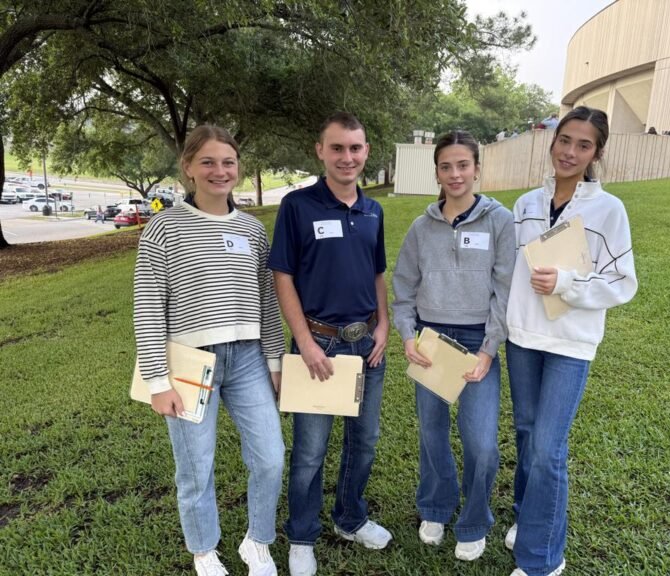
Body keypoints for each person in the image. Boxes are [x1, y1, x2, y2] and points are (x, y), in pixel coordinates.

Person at [133, 125, 285, 576]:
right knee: (196, 468)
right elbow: (147, 307)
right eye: (208, 162)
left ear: (239, 169)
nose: (220, 171)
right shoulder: (163, 228)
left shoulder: (254, 231)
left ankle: (257, 542)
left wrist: (275, 362)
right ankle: (204, 550)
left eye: (228, 162)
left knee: (271, 457)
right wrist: (158, 383)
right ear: (188, 168)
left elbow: (268, 300)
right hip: (189, 364)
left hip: (249, 361)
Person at [503, 106, 638, 576]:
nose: (570, 152)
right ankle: (528, 518)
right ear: (552, 140)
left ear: (596, 152)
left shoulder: (608, 209)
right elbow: (511, 275)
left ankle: (543, 560)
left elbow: (623, 283)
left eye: (584, 145)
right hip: (522, 338)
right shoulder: (524, 205)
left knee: (548, 448)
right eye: (565, 140)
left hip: (570, 345)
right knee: (525, 435)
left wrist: (566, 282)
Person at [268, 111, 391, 576]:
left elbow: (377, 273)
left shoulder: (373, 210)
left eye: (355, 148)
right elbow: (283, 276)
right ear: (320, 151)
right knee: (310, 451)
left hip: (367, 348)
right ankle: (302, 534)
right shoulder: (298, 206)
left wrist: (382, 325)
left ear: (366, 153)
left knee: (364, 442)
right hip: (317, 346)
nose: (347, 157)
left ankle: (350, 517)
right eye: (337, 148)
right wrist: (305, 343)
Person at [392, 131, 515, 562]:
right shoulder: (421, 227)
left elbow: (505, 289)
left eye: (463, 165)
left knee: (481, 442)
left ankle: (475, 520)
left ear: (477, 169)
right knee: (432, 433)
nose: (456, 174)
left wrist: (488, 348)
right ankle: (436, 507)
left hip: (478, 342)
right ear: (437, 173)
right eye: (446, 166)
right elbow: (404, 288)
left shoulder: (501, 221)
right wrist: (407, 335)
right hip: (432, 340)